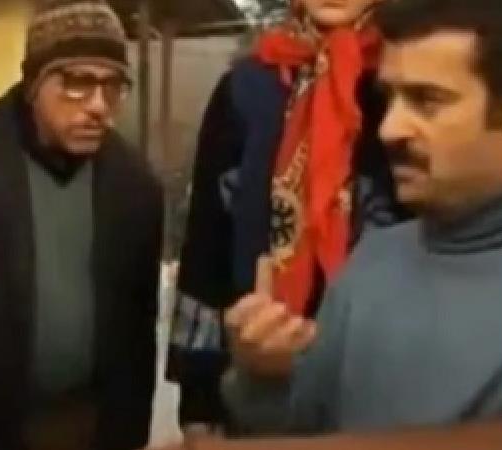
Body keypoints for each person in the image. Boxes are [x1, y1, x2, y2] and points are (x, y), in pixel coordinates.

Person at [218, 0, 502, 443]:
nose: (390, 128)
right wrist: (263, 377)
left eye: (427, 101)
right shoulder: (373, 263)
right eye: (389, 98)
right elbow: (303, 430)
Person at [168, 0, 409, 432]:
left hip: (384, 385)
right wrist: (198, 401)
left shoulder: (406, 86)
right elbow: (207, 244)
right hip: (255, 371)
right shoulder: (246, 89)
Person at [0, 1, 163, 450]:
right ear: (34, 83)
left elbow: (139, 336)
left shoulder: (134, 185)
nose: (98, 106)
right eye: (77, 83)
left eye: (113, 87)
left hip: (92, 426)